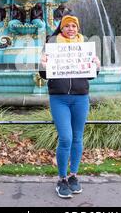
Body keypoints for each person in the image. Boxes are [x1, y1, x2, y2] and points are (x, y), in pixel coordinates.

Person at [39, 15, 101, 199]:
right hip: (59, 98)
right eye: (67, 26)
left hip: (81, 97)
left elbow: (90, 76)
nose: (71, 29)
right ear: (62, 28)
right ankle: (62, 178)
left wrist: (96, 67)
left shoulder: (85, 46)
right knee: (66, 138)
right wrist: (42, 65)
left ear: (78, 28)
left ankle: (73, 175)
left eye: (74, 26)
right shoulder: (52, 45)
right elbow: (44, 75)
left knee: (77, 138)